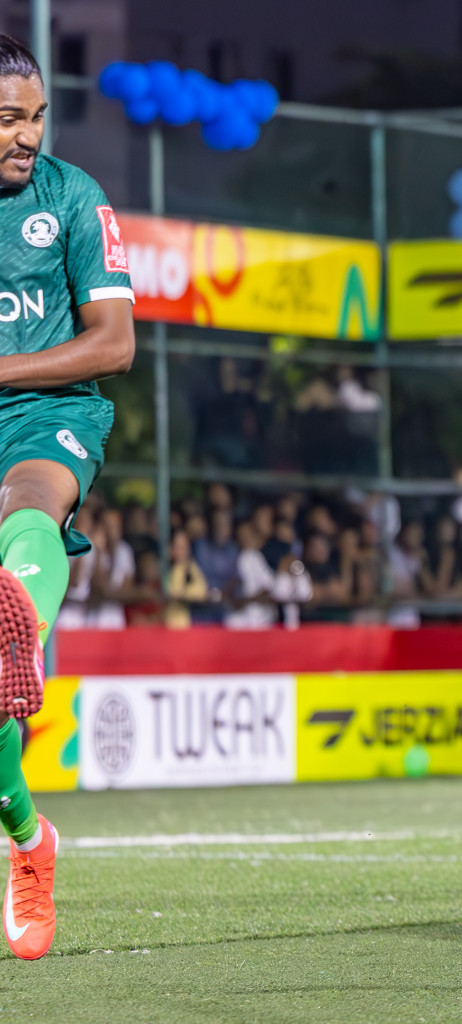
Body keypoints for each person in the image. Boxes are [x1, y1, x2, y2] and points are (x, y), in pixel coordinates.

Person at [0, 34, 135, 959]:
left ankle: (21, 625)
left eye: (38, 115)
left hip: (50, 414)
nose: (29, 135)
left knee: (27, 509)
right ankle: (28, 838)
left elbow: (114, 342)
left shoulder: (74, 196)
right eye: (11, 118)